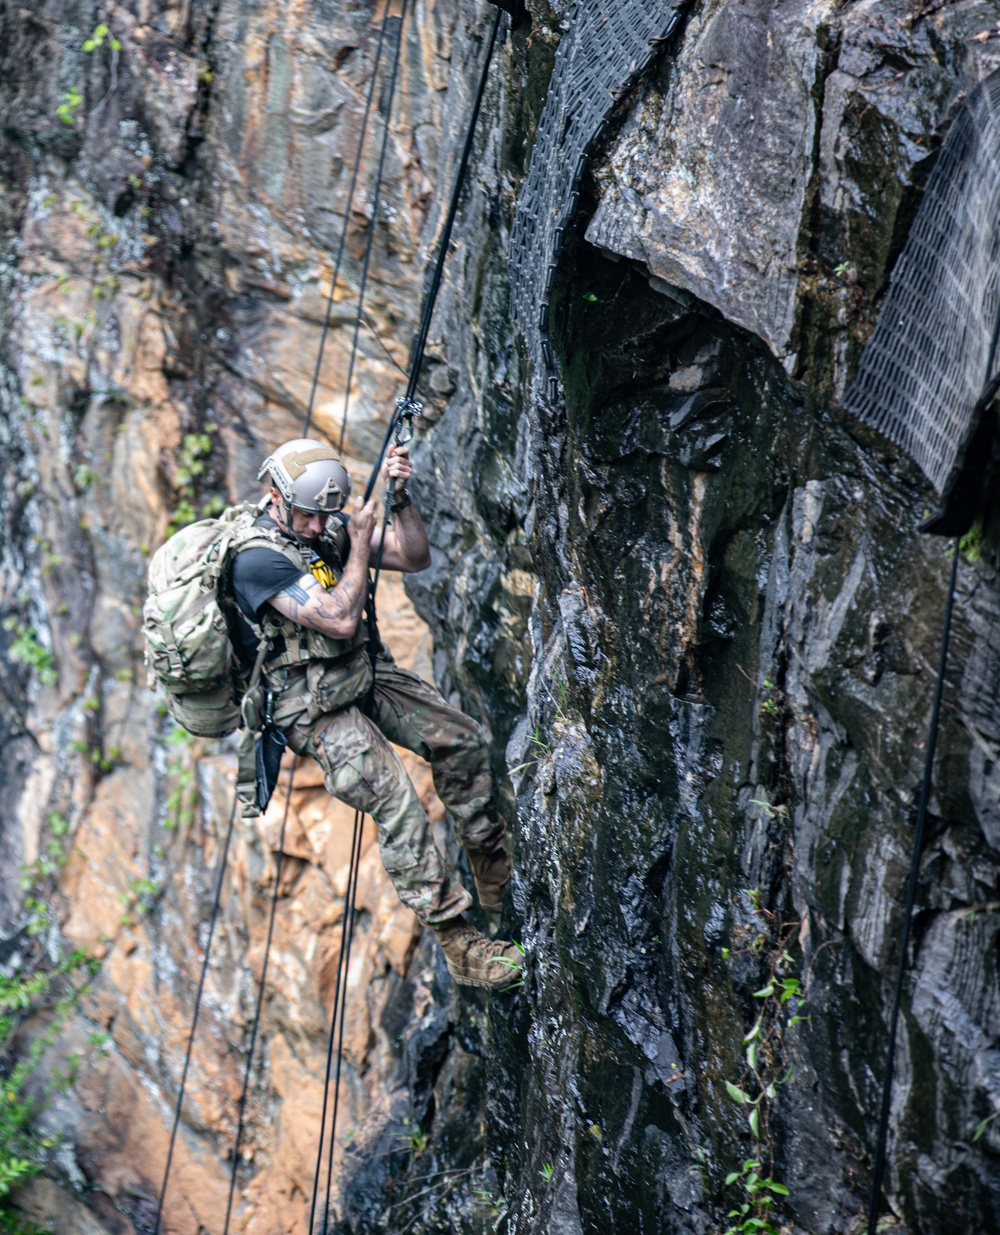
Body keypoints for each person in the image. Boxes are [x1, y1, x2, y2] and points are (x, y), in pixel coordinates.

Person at [228, 438, 520, 991]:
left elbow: (414, 557)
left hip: (358, 673)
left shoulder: (330, 531)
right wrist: (357, 543)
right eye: (307, 515)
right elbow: (338, 619)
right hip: (310, 706)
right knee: (398, 802)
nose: (317, 527)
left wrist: (399, 497)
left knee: (460, 739)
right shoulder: (256, 559)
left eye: (324, 516)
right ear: (276, 497)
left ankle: (493, 872)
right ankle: (459, 943)